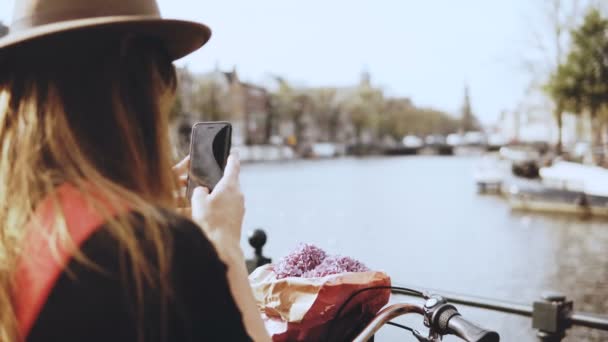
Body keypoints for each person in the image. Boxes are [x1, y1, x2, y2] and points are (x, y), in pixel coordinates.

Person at [0, 0, 270, 341]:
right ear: (143, 86)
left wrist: (136, 205)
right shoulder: (151, 256)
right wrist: (222, 242)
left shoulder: (17, 228)